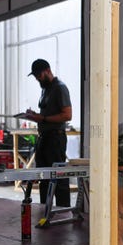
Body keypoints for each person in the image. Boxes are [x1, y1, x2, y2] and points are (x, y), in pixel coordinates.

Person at [24, 59, 72, 209]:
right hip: (44, 138)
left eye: (39, 75)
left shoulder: (60, 88)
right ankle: (44, 210)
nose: (37, 78)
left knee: (59, 176)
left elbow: (67, 115)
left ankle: (63, 210)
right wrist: (35, 115)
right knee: (43, 176)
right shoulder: (45, 89)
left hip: (55, 139)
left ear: (47, 70)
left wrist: (42, 118)